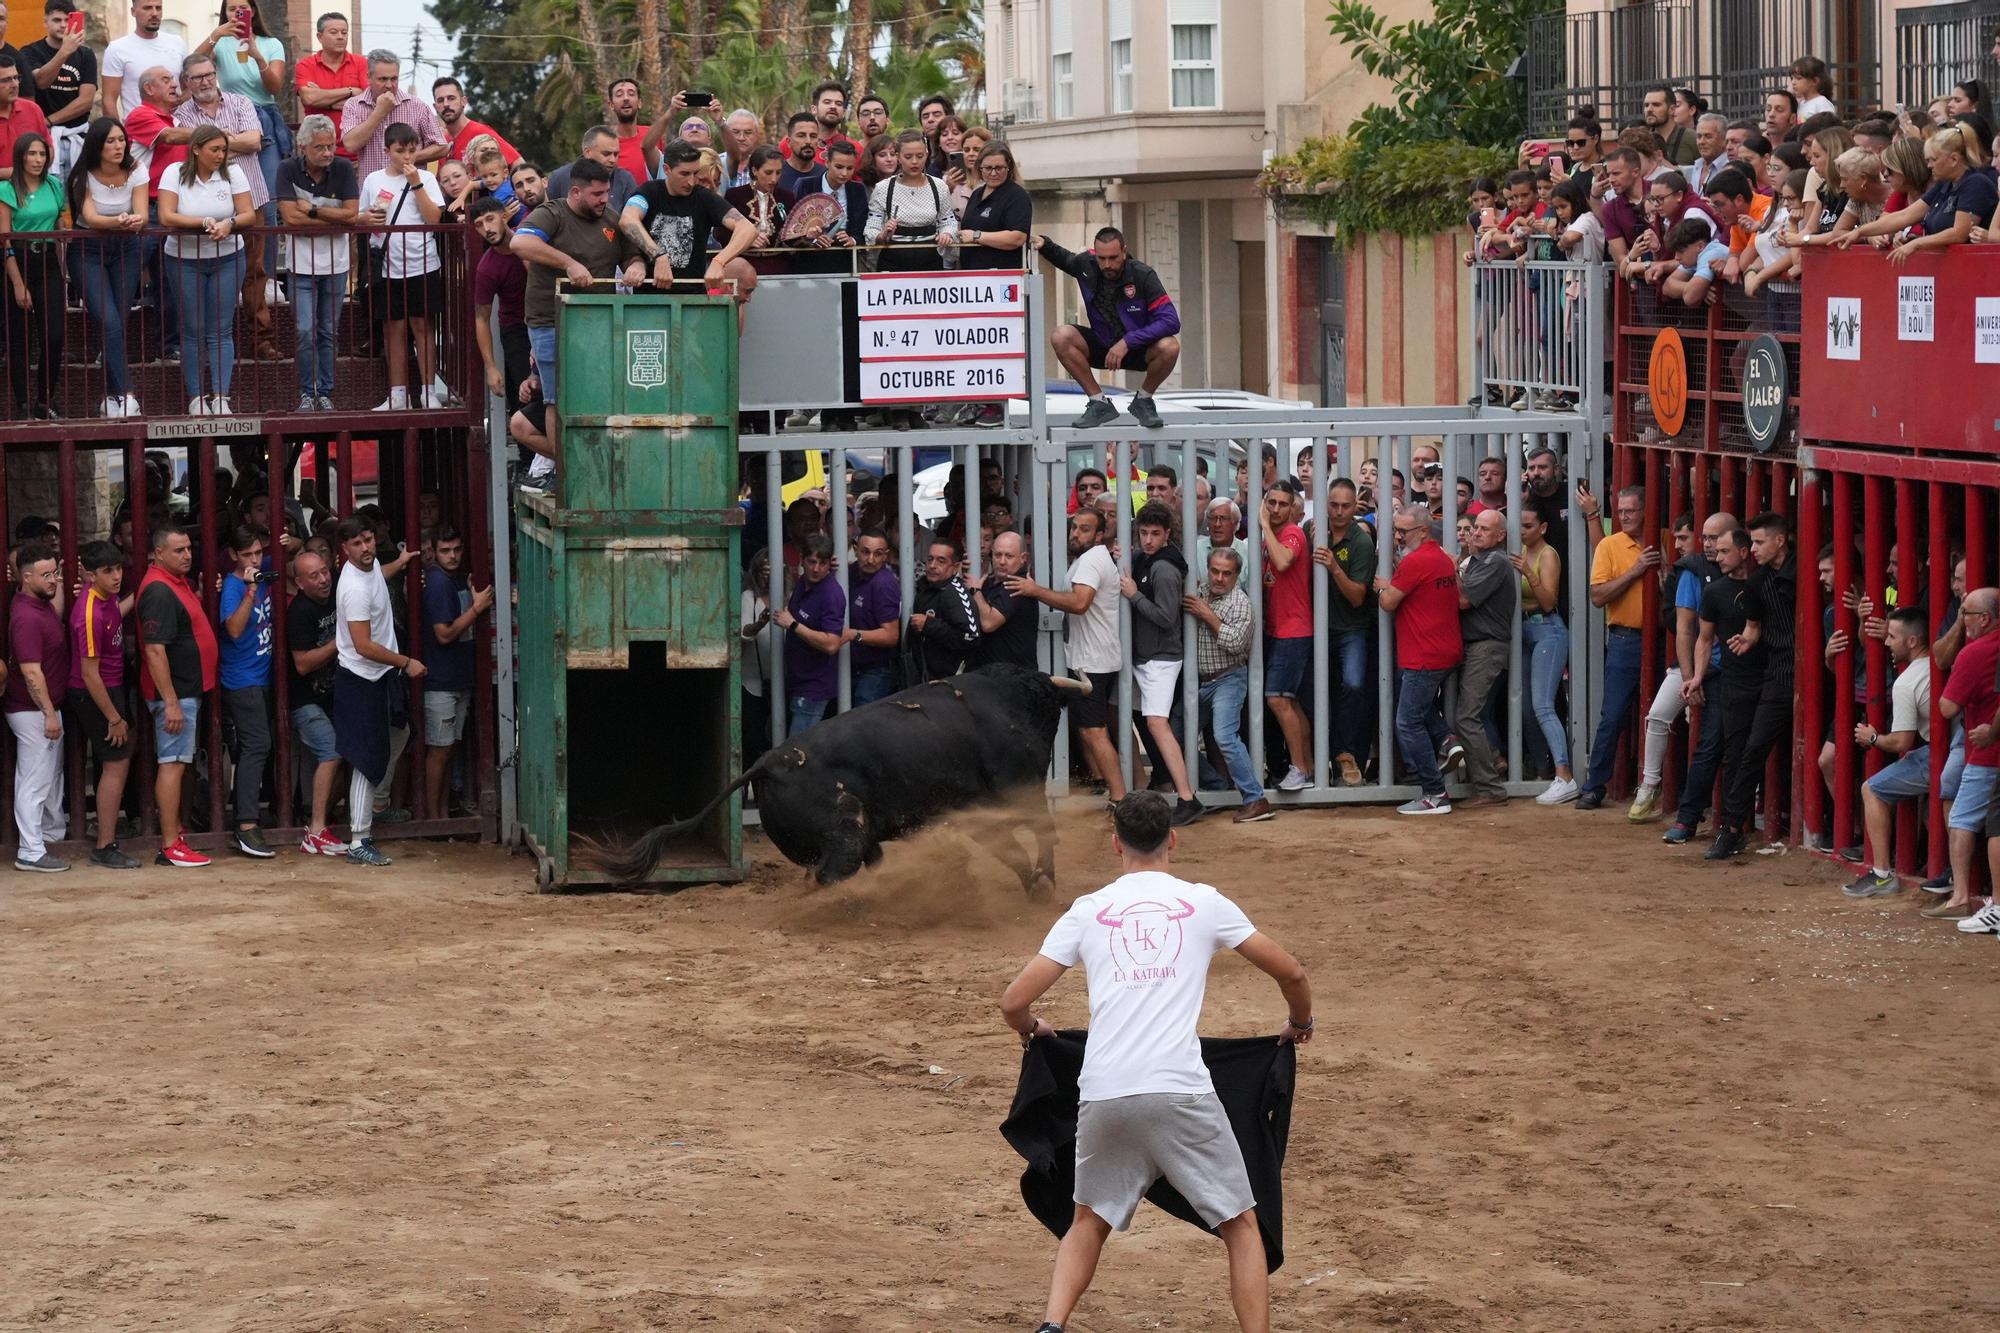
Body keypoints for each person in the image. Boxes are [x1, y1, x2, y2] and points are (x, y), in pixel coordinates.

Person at [999, 790, 1313, 1333]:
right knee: (1241, 1225)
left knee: (1087, 1221)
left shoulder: (1089, 910)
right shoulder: (1205, 903)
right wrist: (1299, 1024)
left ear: (1116, 843)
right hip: (1179, 1089)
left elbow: (1012, 1003)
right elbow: (1292, 974)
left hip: (1103, 1092)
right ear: (1173, 838)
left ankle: (1051, 1327)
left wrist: (1034, 1029)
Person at [1006, 508, 1124, 800]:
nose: (1076, 533)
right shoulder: (1087, 560)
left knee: (1094, 731)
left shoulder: (1092, 560)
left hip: (1093, 660)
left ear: (1099, 535)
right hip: (1092, 657)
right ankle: (1103, 786)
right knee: (1088, 729)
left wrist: (1035, 591)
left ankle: (1120, 798)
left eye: (1084, 529)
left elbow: (1080, 603)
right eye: (1074, 528)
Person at [333, 516, 424, 867]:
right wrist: (405, 662)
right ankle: (359, 838)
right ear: (346, 549)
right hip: (364, 678)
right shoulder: (353, 588)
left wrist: (398, 564)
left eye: (368, 540)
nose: (366, 547)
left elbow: (376, 580)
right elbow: (363, 645)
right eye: (357, 543)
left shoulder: (366, 572)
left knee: (398, 735)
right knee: (366, 759)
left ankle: (375, 806)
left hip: (378, 676)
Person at [173, 50, 275, 359]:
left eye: (209, 74)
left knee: (255, 271)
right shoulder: (183, 114)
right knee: (208, 271)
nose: (205, 81)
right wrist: (233, 140)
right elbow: (193, 150)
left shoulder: (241, 102)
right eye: (197, 77)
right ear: (186, 82)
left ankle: (260, 339)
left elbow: (255, 141)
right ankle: (210, 342)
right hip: (206, 203)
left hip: (252, 197)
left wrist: (213, 144)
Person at [1707, 512, 1796, 860]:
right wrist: (1746, 639)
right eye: (1752, 542)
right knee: (1751, 749)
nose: (1753, 549)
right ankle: (1732, 828)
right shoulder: (1758, 583)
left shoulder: (1805, 571)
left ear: (1780, 541)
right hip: (1778, 673)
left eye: (1759, 543)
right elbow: (1754, 626)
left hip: (1817, 673)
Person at [1035, 226, 1181, 430]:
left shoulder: (1142, 275)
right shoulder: (1087, 264)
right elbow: (1066, 259)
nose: (1107, 265)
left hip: (1139, 349)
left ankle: (1144, 400)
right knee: (1061, 335)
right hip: (1103, 347)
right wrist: (1045, 245)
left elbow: (1171, 321)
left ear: (1124, 251)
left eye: (1113, 258)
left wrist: (1128, 342)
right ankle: (1098, 402)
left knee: (1171, 346)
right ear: (1095, 254)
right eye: (1102, 259)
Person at [1637, 513, 1729, 826]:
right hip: (1694, 665)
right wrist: (1692, 678)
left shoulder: (1742, 570)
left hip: (1727, 669)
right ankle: (1649, 785)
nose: (1707, 544)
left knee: (1718, 742)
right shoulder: (1691, 572)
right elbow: (1684, 628)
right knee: (1659, 714)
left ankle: (1705, 813)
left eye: (1712, 538)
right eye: (1704, 538)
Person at [1574, 487, 1662, 810]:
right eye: (1620, 511)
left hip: (1665, 636)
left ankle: (1663, 784)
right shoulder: (1610, 545)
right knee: (1612, 715)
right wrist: (1636, 570)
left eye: (1630, 511)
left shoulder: (1664, 538)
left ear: (1646, 511)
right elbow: (1597, 596)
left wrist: (1664, 572)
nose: (1623, 517)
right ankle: (1595, 786)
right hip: (1625, 638)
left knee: (1666, 714)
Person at [157, 121, 252, 417]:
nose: (220, 155)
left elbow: (248, 212)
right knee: (193, 329)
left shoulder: (233, 172)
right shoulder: (174, 172)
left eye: (224, 149)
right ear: (195, 149)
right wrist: (203, 222)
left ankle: (221, 396)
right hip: (184, 259)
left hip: (227, 256)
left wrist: (230, 224)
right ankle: (197, 397)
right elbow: (165, 215)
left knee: (221, 329)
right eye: (214, 149)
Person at [1840, 608, 1932, 898]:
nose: (1887, 642)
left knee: (1872, 789)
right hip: (1948, 750)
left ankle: (1881, 874)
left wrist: (1873, 737)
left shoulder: (1906, 682)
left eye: (1893, 637)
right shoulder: (1936, 664)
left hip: (1938, 754)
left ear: (1913, 641)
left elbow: (1901, 743)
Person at [137, 523, 215, 868]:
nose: (187, 554)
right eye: (178, 550)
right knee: (171, 764)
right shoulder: (158, 590)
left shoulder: (175, 582)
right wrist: (169, 701)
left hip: (184, 692)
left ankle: (175, 837)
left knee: (179, 764)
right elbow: (154, 651)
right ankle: (170, 844)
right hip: (176, 695)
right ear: (158, 554)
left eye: (188, 548)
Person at [1376, 507, 1461, 816]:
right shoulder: (1441, 557)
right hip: (1444, 650)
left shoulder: (1415, 561)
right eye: (1396, 530)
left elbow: (1387, 603)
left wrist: (1384, 586)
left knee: (1407, 721)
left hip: (1422, 654)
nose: (1398, 537)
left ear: (1423, 531)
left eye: (1403, 531)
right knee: (1416, 708)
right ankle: (1447, 739)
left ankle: (1435, 793)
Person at [1122, 502, 1201, 826]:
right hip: (1148, 657)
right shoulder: (1147, 559)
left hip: (1160, 659)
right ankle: (1158, 790)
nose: (1149, 540)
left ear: (1168, 534)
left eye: (1155, 534)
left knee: (1156, 723)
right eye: (1144, 533)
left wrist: (1134, 596)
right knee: (1146, 720)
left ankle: (1187, 798)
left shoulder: (1165, 568)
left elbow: (1168, 618)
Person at [359, 121, 446, 411]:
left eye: (411, 150)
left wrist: (416, 184)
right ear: (387, 151)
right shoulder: (373, 180)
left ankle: (428, 392)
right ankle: (397, 396)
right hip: (387, 265)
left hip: (422, 262)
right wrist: (367, 219)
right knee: (392, 329)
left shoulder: (427, 179)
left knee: (423, 327)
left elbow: (435, 218)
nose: (407, 156)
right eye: (400, 151)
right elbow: (362, 217)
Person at [274, 112, 357, 411]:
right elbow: (289, 218)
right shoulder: (287, 169)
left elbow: (351, 215)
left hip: (336, 263)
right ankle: (306, 391)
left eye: (331, 146)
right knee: (305, 330)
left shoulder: (344, 168)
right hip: (301, 265)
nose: (328, 153)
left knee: (328, 331)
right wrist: (332, 218)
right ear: (303, 147)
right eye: (320, 148)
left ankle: (326, 391)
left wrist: (311, 211)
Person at [622, 137, 759, 318]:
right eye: (684, 174)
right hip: (648, 301)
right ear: (667, 170)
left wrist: (719, 262)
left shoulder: (703, 197)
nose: (691, 182)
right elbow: (627, 219)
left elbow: (747, 229)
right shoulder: (649, 192)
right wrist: (659, 256)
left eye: (695, 173)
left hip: (692, 302)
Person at [64, 541, 138, 869]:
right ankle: (105, 845)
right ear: (91, 576)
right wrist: (114, 717)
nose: (117, 576)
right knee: (116, 764)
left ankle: (106, 838)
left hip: (109, 687)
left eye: (119, 568)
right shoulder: (90, 610)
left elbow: (116, 614)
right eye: (108, 572)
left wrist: (141, 592)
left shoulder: (105, 600)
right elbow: (89, 673)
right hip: (97, 693)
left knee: (117, 763)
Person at [1184, 546, 1270, 823]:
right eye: (1215, 571)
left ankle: (1255, 798)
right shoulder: (1201, 593)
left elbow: (1235, 644)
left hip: (1228, 678)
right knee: (1175, 733)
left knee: (1224, 737)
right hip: (1201, 681)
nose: (1219, 578)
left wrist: (1208, 615)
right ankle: (1215, 785)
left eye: (1226, 573)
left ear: (1237, 575)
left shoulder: (1241, 603)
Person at [68, 115, 146, 418]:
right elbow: (91, 218)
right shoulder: (83, 175)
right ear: (97, 146)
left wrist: (134, 220)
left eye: (121, 140)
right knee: (110, 320)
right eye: (110, 141)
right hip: (88, 249)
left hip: (126, 248)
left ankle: (110, 398)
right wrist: (120, 221)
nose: (118, 146)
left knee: (116, 322)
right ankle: (125, 393)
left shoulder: (136, 169)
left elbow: (140, 210)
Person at [1308, 478, 1376, 787]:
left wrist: (1335, 567)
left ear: (1355, 507)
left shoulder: (1360, 542)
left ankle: (1347, 755)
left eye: (1345, 506)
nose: (1338, 511)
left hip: (1351, 629)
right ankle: (1316, 762)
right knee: (1315, 693)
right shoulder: (1313, 531)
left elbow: (1358, 597)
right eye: (1333, 504)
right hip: (1315, 627)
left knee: (1353, 684)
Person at [421, 527, 492, 819]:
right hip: (441, 680)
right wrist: (476, 610)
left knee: (448, 749)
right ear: (434, 553)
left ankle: (441, 816)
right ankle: (434, 818)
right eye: (445, 551)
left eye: (457, 550)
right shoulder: (438, 582)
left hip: (456, 678)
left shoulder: (455, 578)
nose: (452, 556)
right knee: (440, 750)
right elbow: (444, 634)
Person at [217, 522, 276, 857]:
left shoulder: (263, 567)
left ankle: (250, 820)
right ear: (233, 556)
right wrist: (251, 590)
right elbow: (235, 630)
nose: (256, 558)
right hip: (243, 681)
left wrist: (283, 538)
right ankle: (246, 825)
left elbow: (292, 551)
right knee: (257, 746)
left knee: (260, 746)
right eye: (248, 554)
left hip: (261, 677)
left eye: (259, 551)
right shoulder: (233, 587)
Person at [8, 539, 66, 871]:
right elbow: (31, 671)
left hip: (42, 710)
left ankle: (46, 840)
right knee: (34, 781)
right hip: (33, 712)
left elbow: (55, 609)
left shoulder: (37, 605)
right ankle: (30, 851)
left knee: (47, 778)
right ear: (26, 577)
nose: (52, 580)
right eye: (45, 575)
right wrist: (47, 713)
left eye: (54, 573)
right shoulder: (26, 618)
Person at [287, 546, 349, 856]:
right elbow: (302, 663)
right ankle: (315, 830)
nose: (324, 579)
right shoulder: (299, 612)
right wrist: (340, 643)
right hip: (305, 700)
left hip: (331, 696)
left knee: (347, 753)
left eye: (325, 571)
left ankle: (317, 818)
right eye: (315, 576)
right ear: (299, 583)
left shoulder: (336, 589)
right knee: (333, 750)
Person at [1, 128, 64, 420]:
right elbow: (5, 238)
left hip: (47, 259)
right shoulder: (8, 189)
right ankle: (23, 403)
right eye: (32, 154)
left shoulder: (53, 185)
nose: (38, 160)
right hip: (19, 261)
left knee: (53, 335)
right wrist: (17, 283)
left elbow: (63, 221)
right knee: (19, 338)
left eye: (42, 154)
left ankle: (44, 399)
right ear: (21, 157)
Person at [1454, 510, 1513, 808]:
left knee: (1467, 715)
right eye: (1475, 527)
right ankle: (1487, 779)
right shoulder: (1480, 560)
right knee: (1468, 714)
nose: (1475, 533)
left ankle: (1490, 788)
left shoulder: (1495, 561)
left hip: (1486, 647)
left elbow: (1463, 600)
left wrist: (1448, 571)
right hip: (1476, 646)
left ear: (1500, 536)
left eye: (1484, 529)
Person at [1258, 484, 1314, 793]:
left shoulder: (1292, 532)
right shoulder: (1272, 536)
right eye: (1271, 503)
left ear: (1292, 508)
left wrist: (1264, 524)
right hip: (1278, 629)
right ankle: (1309, 765)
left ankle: (1299, 768)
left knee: (1277, 699)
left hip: (1294, 629)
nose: (1276, 509)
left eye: (1282, 504)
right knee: (1289, 701)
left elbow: (1282, 563)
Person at [771, 533, 850, 735]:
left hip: (814, 687)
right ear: (802, 560)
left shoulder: (831, 594)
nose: (816, 568)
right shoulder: (804, 583)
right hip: (797, 681)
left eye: (823, 563)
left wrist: (793, 625)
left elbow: (831, 644)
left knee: (798, 753)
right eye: (812, 562)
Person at [339, 49, 445, 183]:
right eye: (383, 79)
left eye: (394, 79)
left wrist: (408, 156)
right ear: (369, 77)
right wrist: (379, 113)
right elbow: (350, 144)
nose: (389, 85)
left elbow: (441, 147)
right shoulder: (354, 105)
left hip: (410, 191)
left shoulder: (417, 106)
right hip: (373, 191)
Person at [864, 128, 955, 273]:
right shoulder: (883, 188)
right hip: (893, 264)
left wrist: (947, 234)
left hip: (931, 263)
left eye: (919, 156)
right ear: (898, 157)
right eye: (908, 156)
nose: (914, 162)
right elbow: (871, 228)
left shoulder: (939, 186)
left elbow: (948, 221)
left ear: (927, 155)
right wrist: (882, 234)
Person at [21, 2, 95, 177]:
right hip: (42, 138)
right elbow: (41, 82)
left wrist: (49, 120)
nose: (63, 25)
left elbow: (86, 101)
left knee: (78, 195)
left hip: (77, 135)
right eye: (56, 20)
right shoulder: (30, 51)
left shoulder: (85, 54)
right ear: (45, 22)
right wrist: (64, 52)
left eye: (67, 20)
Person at [906, 534, 981, 682]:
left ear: (955, 567)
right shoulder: (925, 589)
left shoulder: (954, 593)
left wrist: (929, 625)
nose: (933, 565)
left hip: (952, 684)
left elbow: (971, 637)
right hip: (926, 679)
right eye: (930, 559)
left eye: (941, 561)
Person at [293, 12, 365, 152]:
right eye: (334, 32)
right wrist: (350, 91)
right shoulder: (306, 65)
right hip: (318, 151)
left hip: (356, 150)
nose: (340, 37)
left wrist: (323, 99)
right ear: (319, 37)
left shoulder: (361, 63)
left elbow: (366, 102)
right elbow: (309, 98)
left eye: (344, 33)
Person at [845, 529, 902, 704]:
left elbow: (891, 636)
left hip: (876, 670)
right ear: (855, 550)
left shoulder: (883, 584)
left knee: (863, 726)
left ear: (886, 556)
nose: (871, 560)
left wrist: (852, 634)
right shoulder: (850, 572)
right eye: (865, 552)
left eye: (878, 554)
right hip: (851, 666)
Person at [101, 0, 184, 118]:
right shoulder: (117, 49)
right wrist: (120, 135)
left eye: (158, 8)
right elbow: (108, 100)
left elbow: (189, 86)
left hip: (178, 129)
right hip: (139, 130)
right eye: (147, 8)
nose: (154, 13)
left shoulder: (177, 43)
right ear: (133, 12)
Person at [973, 529, 1039, 670]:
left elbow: (989, 623)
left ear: (1023, 558)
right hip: (992, 674)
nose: (1002, 561)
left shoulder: (1018, 585)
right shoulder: (988, 582)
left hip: (1015, 677)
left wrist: (976, 591)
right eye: (998, 555)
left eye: (1009, 556)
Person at [432, 74, 517, 165]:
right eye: (440, 100)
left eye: (451, 98)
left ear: (463, 101)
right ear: (435, 107)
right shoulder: (442, 144)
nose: (446, 104)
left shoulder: (480, 133)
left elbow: (518, 164)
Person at [777, 110, 824, 196]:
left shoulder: (825, 176)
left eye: (813, 136)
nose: (808, 141)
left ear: (818, 141)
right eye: (801, 136)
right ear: (788, 142)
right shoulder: (776, 174)